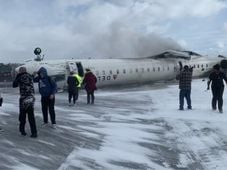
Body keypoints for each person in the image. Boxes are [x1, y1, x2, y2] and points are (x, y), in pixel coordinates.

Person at [13, 67, 37, 137]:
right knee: (31, 116)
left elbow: (14, 85)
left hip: (24, 98)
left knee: (22, 116)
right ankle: (34, 132)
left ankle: (22, 130)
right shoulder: (30, 76)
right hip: (31, 98)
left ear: (20, 71)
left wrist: (17, 76)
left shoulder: (20, 77)